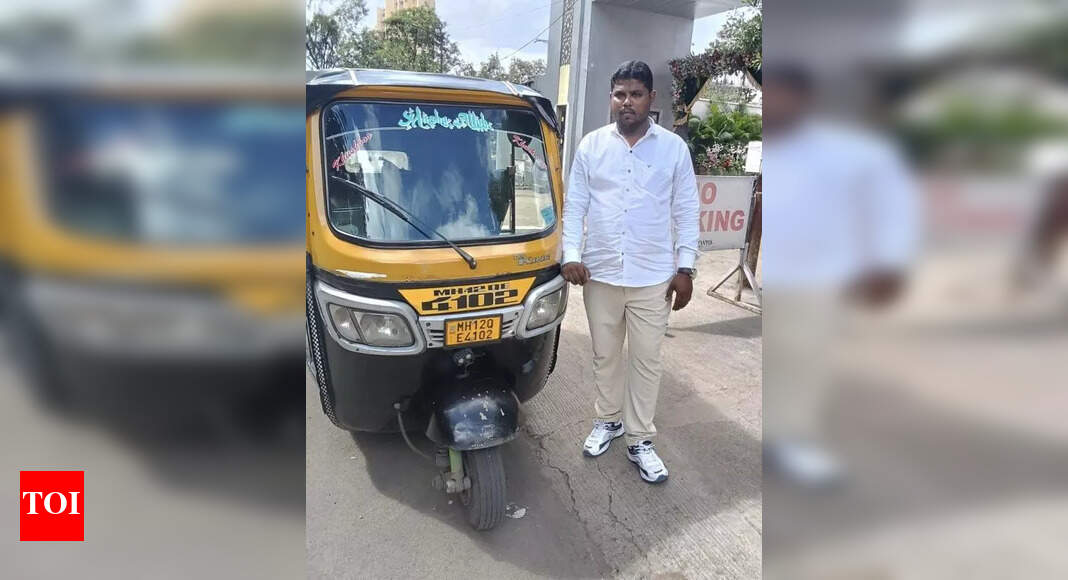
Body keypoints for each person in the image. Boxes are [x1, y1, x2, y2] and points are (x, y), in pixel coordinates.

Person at [761, 64, 920, 487]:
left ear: (804, 98)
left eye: (782, 94)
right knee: (776, 358)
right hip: (773, 276)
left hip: (817, 278)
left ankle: (791, 441)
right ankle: (773, 431)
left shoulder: (847, 151)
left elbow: (890, 203)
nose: (773, 103)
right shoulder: (770, 149)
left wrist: (888, 261)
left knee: (805, 360)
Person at [561, 60, 700, 484]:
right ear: (611, 97)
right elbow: (576, 204)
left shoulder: (672, 148)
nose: (627, 102)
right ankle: (608, 420)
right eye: (619, 94)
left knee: (646, 361)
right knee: (605, 356)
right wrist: (571, 253)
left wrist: (686, 267)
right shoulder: (591, 146)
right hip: (600, 273)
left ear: (650, 98)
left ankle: (640, 439)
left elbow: (686, 209)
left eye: (635, 94)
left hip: (652, 277)